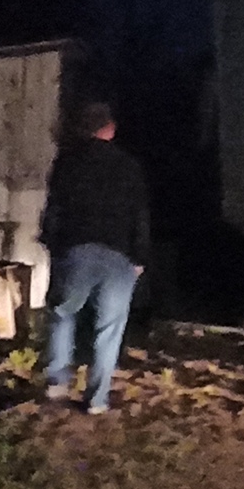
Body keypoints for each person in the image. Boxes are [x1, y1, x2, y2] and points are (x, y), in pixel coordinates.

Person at [39, 99, 151, 415]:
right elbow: (139, 214)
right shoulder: (129, 166)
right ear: (110, 130)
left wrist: (54, 246)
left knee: (63, 314)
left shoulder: (67, 163)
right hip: (119, 256)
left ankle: (57, 381)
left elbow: (54, 210)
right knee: (109, 328)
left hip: (77, 250)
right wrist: (140, 257)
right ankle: (97, 400)